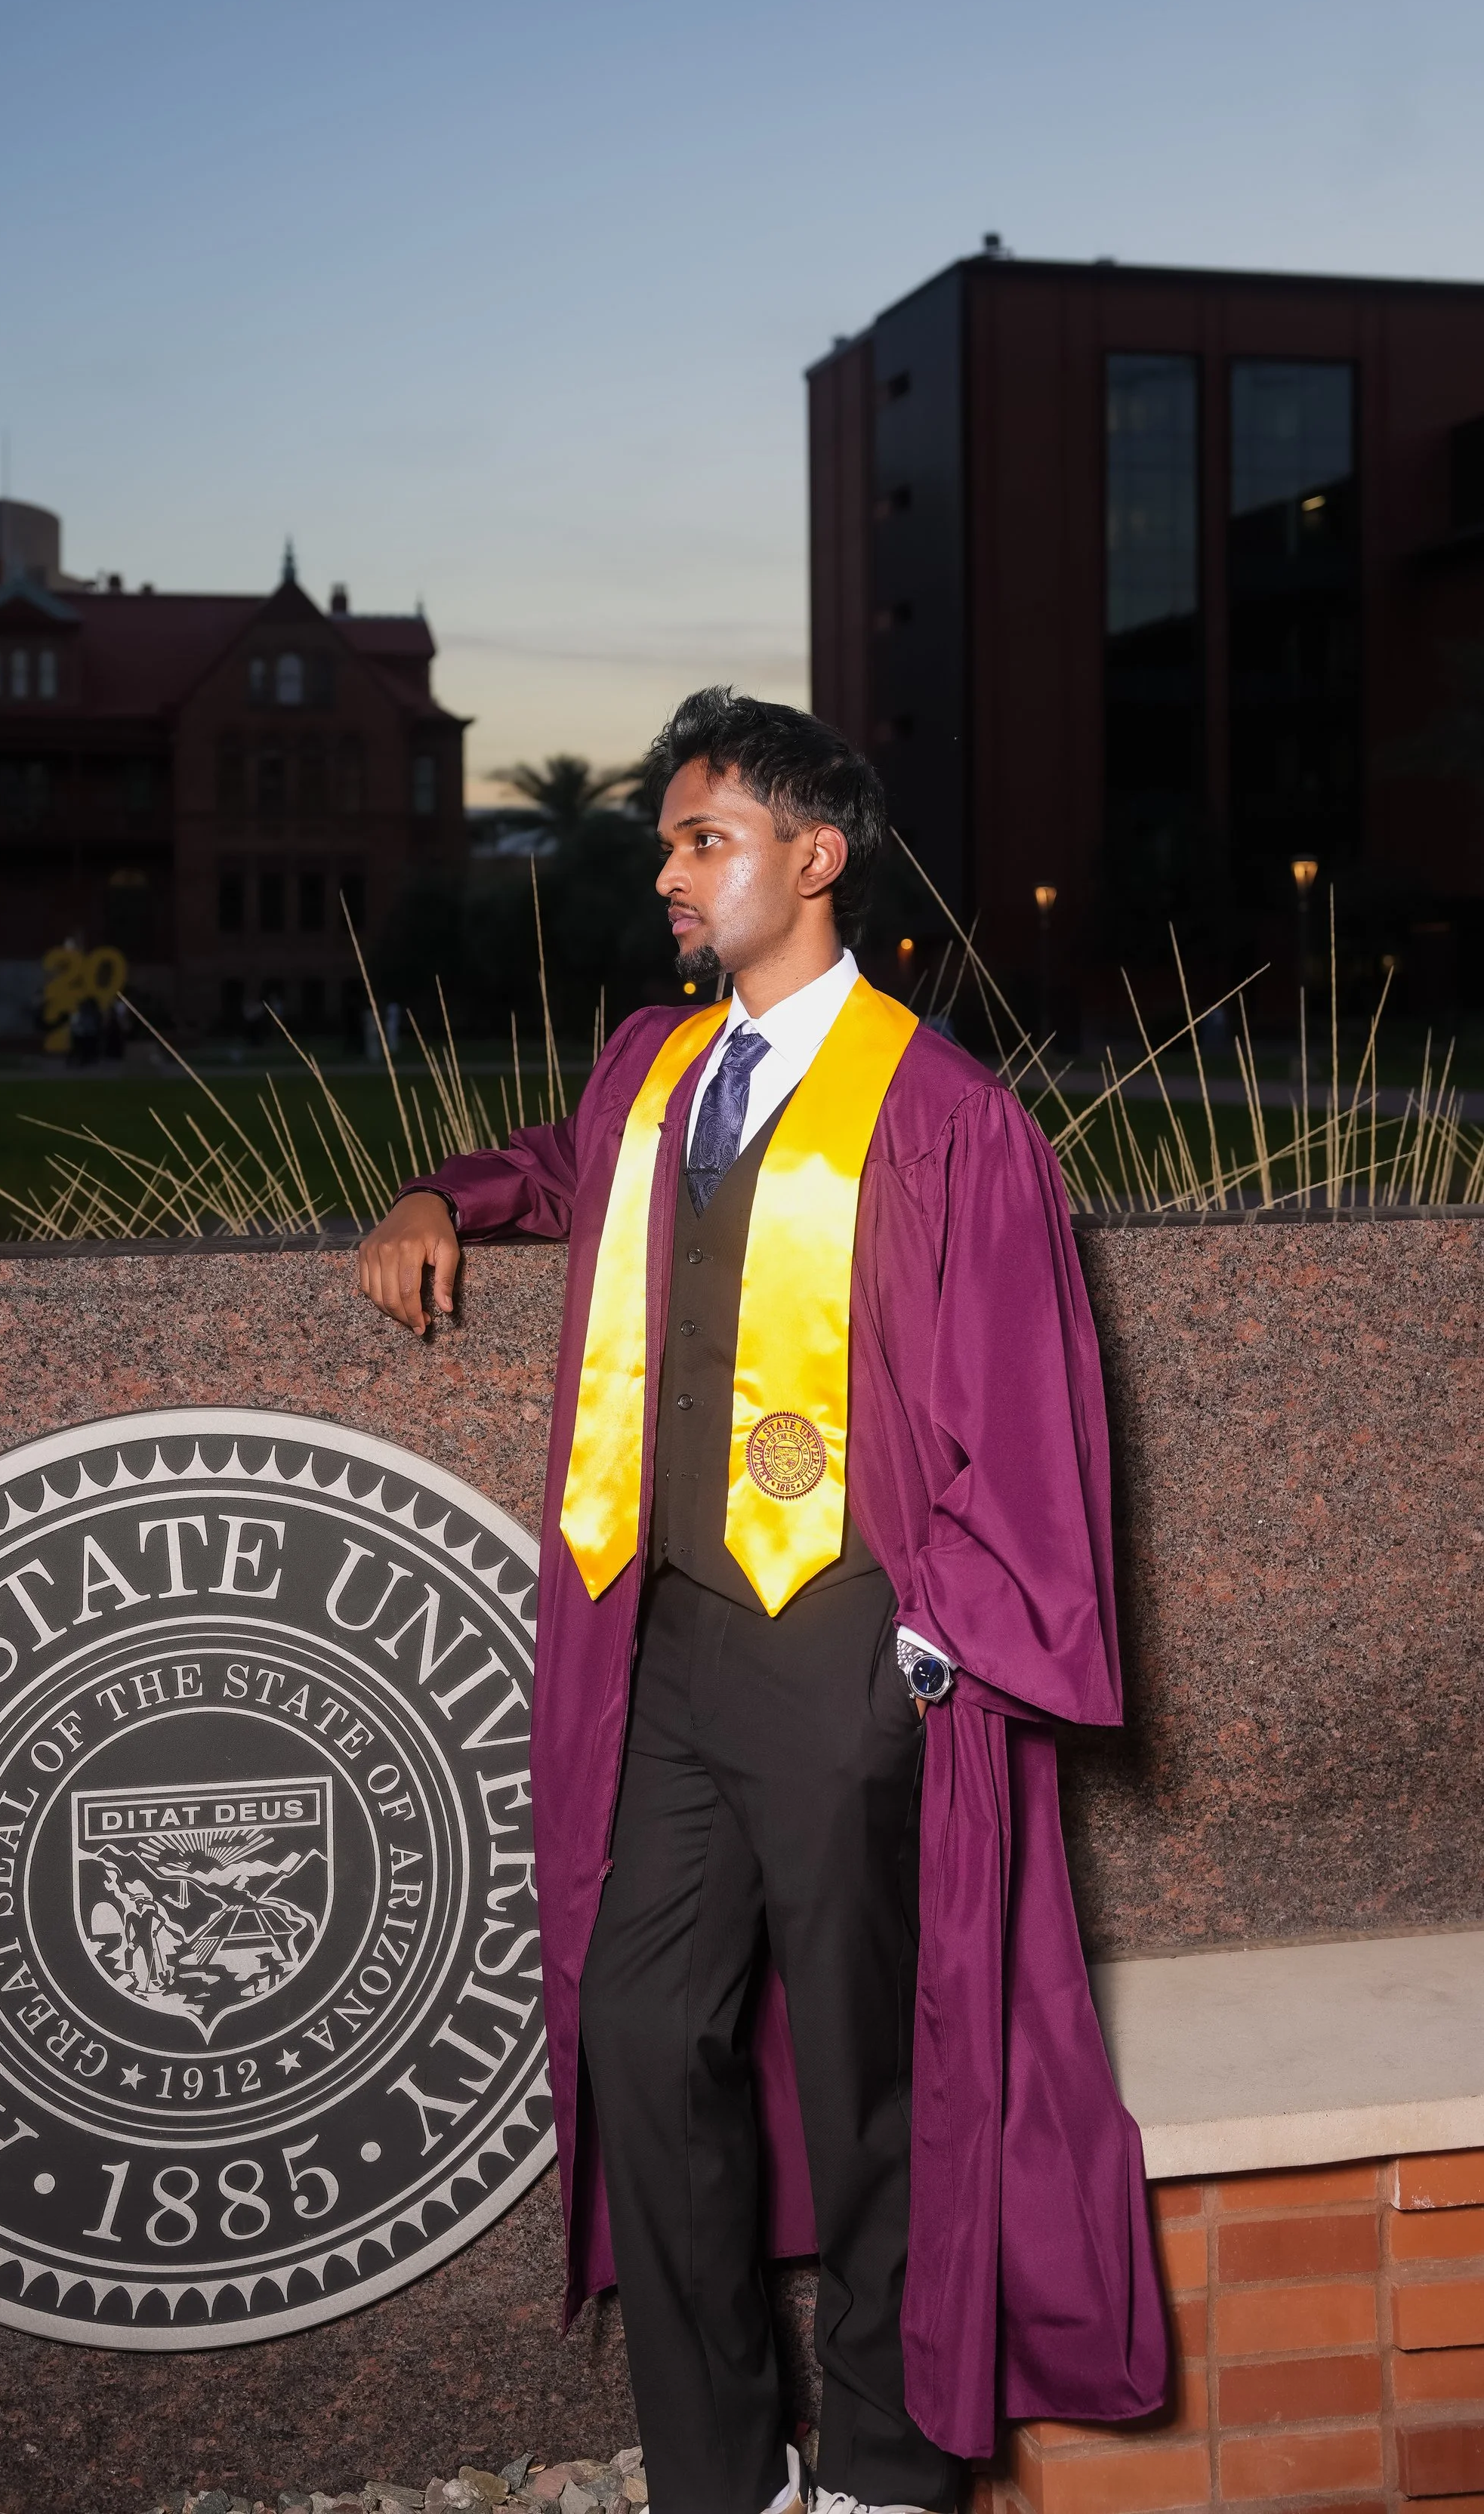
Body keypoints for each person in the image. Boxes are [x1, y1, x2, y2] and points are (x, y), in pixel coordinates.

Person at [356, 692, 1167, 2514]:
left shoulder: (943, 1114)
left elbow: (1025, 1415)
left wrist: (920, 1643)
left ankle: (881, 2469)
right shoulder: (654, 1060)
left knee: (876, 2074)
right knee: (642, 2040)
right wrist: (439, 1191)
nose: (665, 870)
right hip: (661, 1641)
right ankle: (725, 2475)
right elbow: (570, 1171)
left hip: (842, 1647)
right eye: (664, 840)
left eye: (699, 839)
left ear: (812, 859)